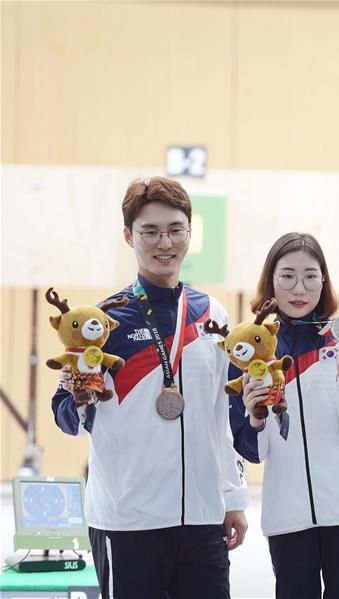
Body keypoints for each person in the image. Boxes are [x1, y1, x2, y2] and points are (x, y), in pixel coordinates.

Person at [50, 176, 248, 598]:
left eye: (176, 230)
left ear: (189, 234)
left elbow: (222, 417)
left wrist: (233, 498)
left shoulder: (211, 315)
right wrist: (77, 397)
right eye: (150, 231)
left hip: (201, 517)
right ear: (129, 236)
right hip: (127, 521)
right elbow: (65, 416)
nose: (165, 242)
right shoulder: (102, 321)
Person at [228, 232, 339, 599]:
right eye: (288, 276)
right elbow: (252, 450)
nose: (300, 287)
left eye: (311, 276)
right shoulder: (251, 350)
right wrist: (256, 416)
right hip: (288, 517)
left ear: (324, 280)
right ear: (271, 281)